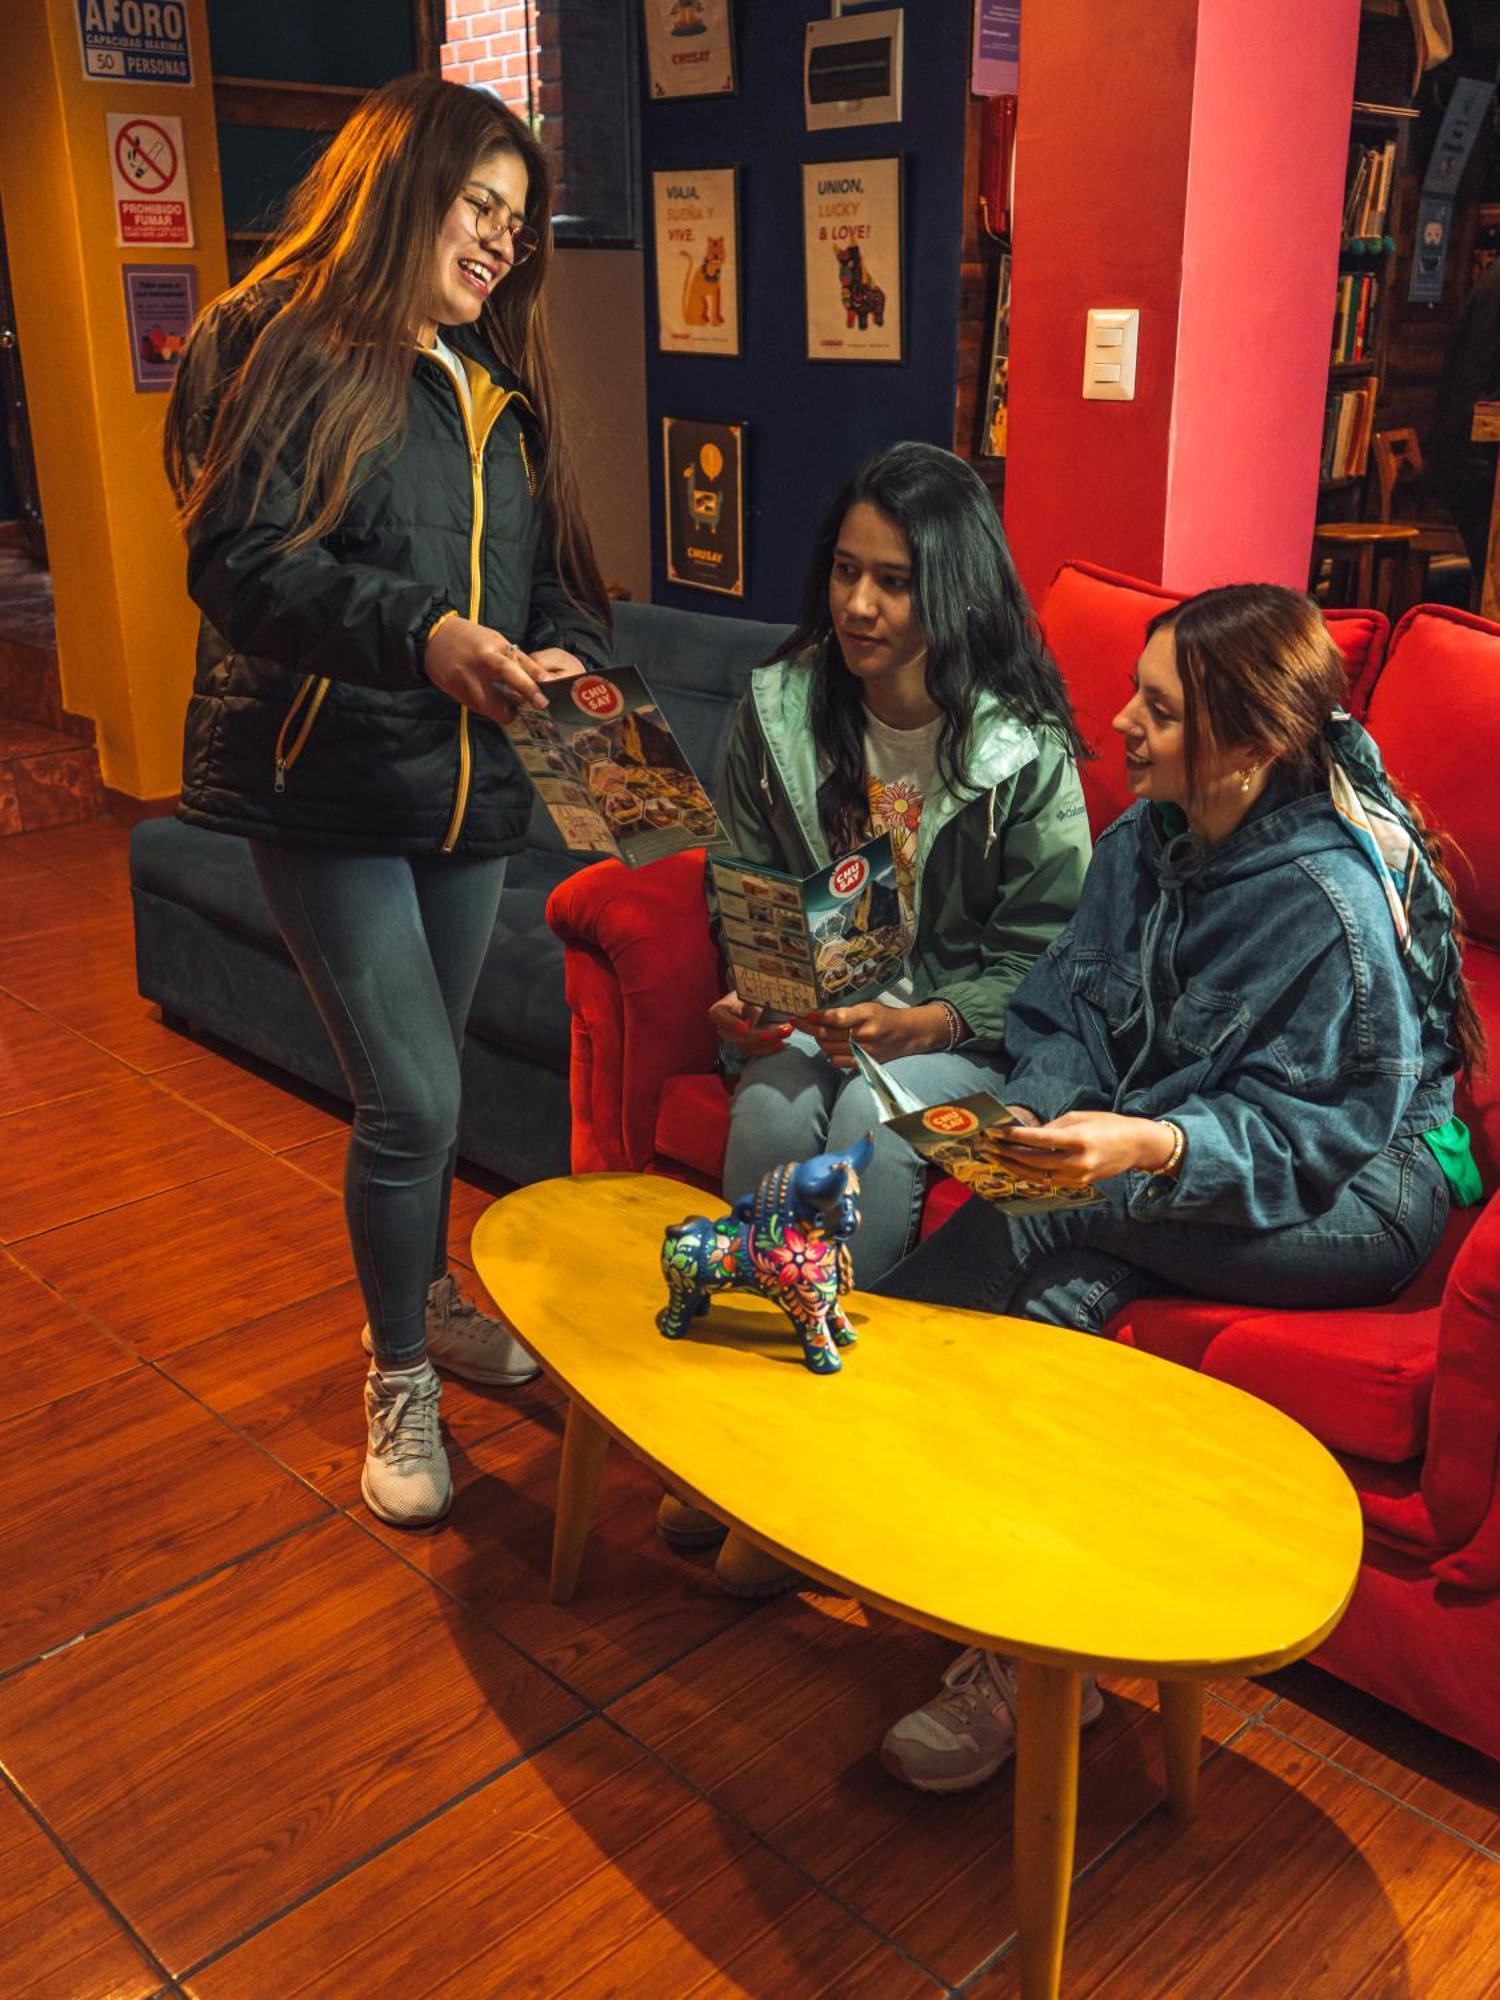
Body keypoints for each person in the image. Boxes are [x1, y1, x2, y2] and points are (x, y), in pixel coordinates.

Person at [873, 581, 1485, 1792]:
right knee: (1073, 1275)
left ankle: (855, 1398)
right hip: (1175, 1147)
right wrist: (1043, 1112)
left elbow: (1316, 1139)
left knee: (1065, 1216)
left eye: (1155, 708)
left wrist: (1148, 1147)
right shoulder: (1139, 845)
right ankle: (1046, 1653)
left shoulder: (1330, 908)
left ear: (1248, 746)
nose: (1116, 722)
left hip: (1356, 1194)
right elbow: (1060, 1012)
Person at [164, 74, 611, 1530]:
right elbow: (240, 565)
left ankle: (417, 1289)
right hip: (330, 779)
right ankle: (400, 1367)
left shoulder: (503, 388)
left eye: (517, 223)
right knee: (411, 1096)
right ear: (403, 183)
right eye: (481, 205)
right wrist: (425, 634)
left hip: (471, 791)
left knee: (434, 1093)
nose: (499, 242)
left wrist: (559, 655)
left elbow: (558, 590)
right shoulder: (288, 343)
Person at [663, 441, 1093, 1589]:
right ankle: (741, 1445)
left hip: (969, 1035)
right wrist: (760, 987)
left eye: (893, 580)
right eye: (847, 571)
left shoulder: (1023, 749)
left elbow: (1050, 958)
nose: (858, 603)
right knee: (766, 1114)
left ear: (950, 587)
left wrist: (936, 1017)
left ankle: (830, 1464)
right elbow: (739, 875)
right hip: (822, 1015)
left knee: (867, 1122)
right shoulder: (785, 707)